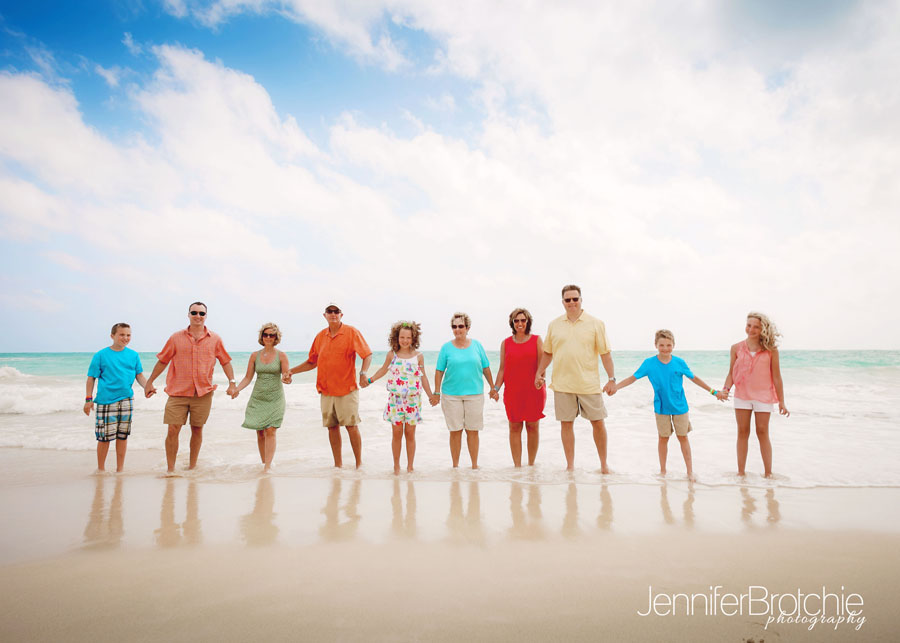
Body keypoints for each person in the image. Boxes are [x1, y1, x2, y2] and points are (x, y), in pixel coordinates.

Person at [615, 329, 728, 480]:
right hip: (661, 407)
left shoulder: (679, 362)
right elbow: (632, 378)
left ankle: (690, 472)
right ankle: (663, 472)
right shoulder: (649, 363)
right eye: (661, 345)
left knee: (683, 437)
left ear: (673, 345)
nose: (665, 348)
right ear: (656, 345)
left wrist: (714, 392)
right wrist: (616, 387)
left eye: (669, 345)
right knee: (663, 438)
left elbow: (695, 379)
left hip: (680, 407)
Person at [144, 302, 236, 473]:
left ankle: (192, 467)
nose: (198, 316)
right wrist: (149, 382)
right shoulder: (175, 338)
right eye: (194, 313)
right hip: (178, 392)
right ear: (188, 315)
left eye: (201, 313)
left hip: (203, 393)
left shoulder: (215, 339)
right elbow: (163, 361)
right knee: (173, 429)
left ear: (206, 316)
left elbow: (225, 361)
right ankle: (170, 470)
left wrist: (232, 383)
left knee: (197, 429)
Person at [535, 284, 616, 472]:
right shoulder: (554, 325)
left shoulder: (596, 323)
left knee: (598, 423)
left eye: (575, 299)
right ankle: (570, 466)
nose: (571, 302)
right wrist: (539, 372)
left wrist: (612, 379)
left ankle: (604, 465)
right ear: (563, 302)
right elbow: (548, 353)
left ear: (581, 300)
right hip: (562, 384)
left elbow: (605, 354)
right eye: (568, 300)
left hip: (589, 384)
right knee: (566, 424)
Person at [288, 303, 372, 468]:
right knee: (332, 428)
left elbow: (367, 355)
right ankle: (338, 466)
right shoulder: (320, 336)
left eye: (336, 311)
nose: (333, 314)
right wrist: (291, 371)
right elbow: (312, 362)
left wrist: (363, 373)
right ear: (324, 315)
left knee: (351, 426)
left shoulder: (351, 332)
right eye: (329, 311)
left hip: (347, 390)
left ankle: (359, 464)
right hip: (326, 391)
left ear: (341, 315)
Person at [722, 312, 790, 478]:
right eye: (749, 325)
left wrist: (781, 401)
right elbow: (731, 373)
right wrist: (726, 389)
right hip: (742, 395)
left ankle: (768, 474)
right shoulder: (736, 348)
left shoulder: (771, 350)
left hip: (764, 396)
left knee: (762, 431)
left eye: (756, 327)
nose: (751, 329)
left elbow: (777, 377)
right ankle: (741, 473)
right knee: (742, 432)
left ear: (763, 329)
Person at [366, 321, 438, 474]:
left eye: (408, 338)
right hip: (396, 401)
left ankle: (410, 467)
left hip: (413, 401)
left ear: (413, 338)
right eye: (402, 337)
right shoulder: (392, 355)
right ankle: (396, 466)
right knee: (397, 434)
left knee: (410, 434)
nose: (405, 340)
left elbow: (423, 377)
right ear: (396, 337)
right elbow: (383, 370)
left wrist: (431, 395)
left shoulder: (418, 356)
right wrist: (370, 380)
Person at [434, 312, 497, 469]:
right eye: (454, 326)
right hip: (451, 396)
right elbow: (439, 371)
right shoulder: (446, 348)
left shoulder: (477, 346)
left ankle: (474, 466)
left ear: (467, 328)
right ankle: (455, 467)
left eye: (461, 326)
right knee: (455, 431)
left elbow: (486, 368)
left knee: (473, 431)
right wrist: (436, 392)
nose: (457, 329)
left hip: (475, 395)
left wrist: (493, 387)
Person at [83, 323, 148, 472]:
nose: (125, 338)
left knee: (122, 436)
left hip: (126, 400)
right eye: (122, 334)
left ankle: (120, 470)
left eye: (128, 335)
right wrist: (88, 399)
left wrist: (147, 387)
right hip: (106, 401)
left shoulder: (133, 355)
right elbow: (91, 378)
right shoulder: (100, 355)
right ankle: (101, 470)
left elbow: (139, 375)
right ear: (112, 336)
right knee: (104, 438)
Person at [232, 322, 290, 473]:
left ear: (276, 337)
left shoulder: (281, 356)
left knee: (271, 430)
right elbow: (248, 377)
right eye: (266, 334)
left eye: (272, 335)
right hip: (258, 397)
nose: (268, 337)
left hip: (275, 398)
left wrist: (287, 379)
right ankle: (263, 462)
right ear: (262, 336)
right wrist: (237, 389)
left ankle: (268, 467)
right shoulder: (254, 356)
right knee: (260, 432)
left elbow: (286, 376)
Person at [493, 308, 546, 467]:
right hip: (513, 392)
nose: (520, 323)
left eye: (523, 320)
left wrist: (541, 379)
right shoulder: (506, 343)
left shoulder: (537, 340)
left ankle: (531, 466)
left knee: (532, 427)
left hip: (534, 391)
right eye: (516, 321)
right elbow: (502, 369)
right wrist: (496, 389)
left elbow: (542, 366)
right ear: (512, 323)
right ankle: (517, 468)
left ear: (528, 322)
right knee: (514, 427)